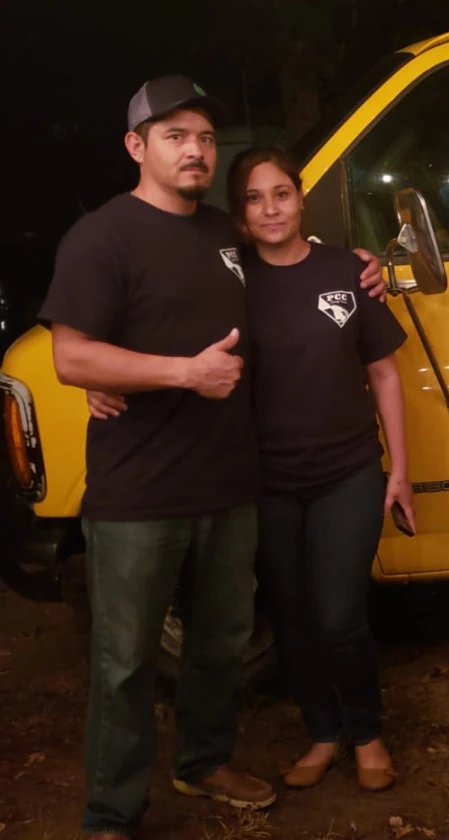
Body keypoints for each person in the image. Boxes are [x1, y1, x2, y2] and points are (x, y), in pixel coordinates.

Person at [40, 76, 276, 839]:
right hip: (139, 493)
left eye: (205, 137)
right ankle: (113, 812)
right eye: (175, 135)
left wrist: (365, 264)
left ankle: (202, 762)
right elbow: (72, 358)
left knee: (219, 645)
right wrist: (181, 373)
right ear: (137, 147)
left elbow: (294, 259)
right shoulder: (102, 237)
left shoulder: (219, 232)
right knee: (124, 664)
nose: (196, 149)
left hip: (227, 485)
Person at [229, 145, 415, 792]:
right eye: (254, 198)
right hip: (267, 480)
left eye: (280, 193)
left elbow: (385, 373)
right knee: (293, 613)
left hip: (348, 471)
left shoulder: (348, 271)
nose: (270, 208)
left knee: (338, 614)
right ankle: (321, 733)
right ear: (240, 213)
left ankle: (366, 733)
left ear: (301, 197)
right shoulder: (231, 282)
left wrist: (400, 471)